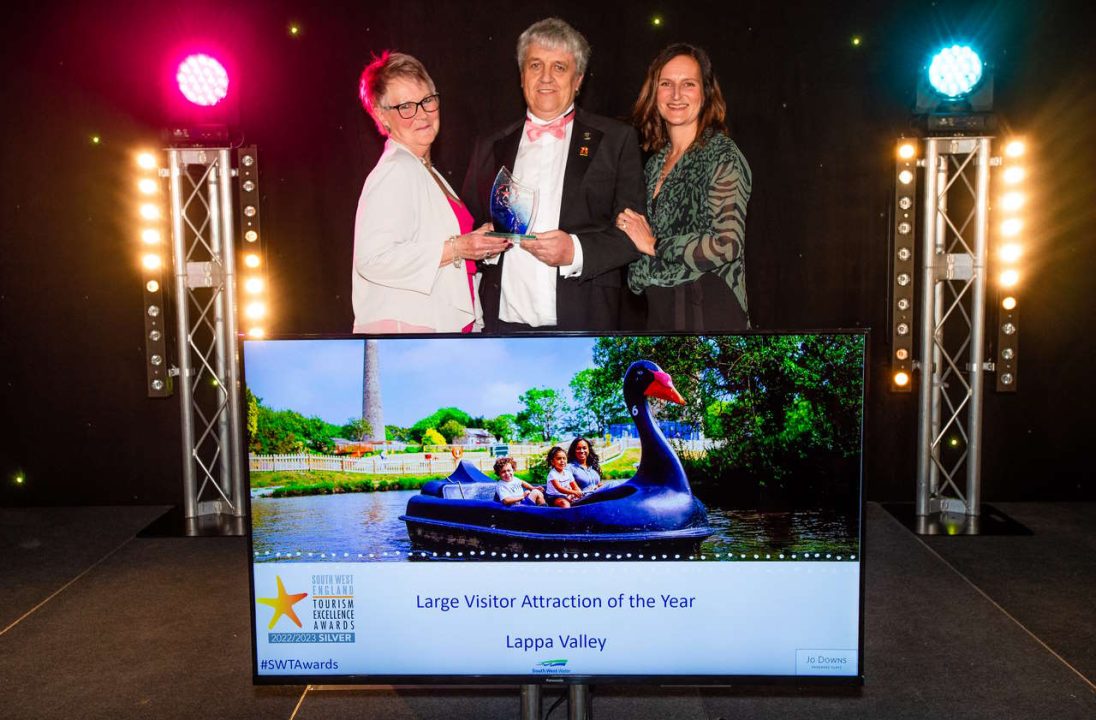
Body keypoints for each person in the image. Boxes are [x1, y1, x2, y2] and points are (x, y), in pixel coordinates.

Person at [463, 18, 646, 332]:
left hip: (583, 321)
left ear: (578, 80)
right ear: (522, 76)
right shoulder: (490, 145)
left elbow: (634, 236)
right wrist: (488, 248)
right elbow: (469, 225)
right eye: (536, 65)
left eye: (559, 67)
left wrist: (575, 251)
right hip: (503, 323)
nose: (546, 78)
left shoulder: (616, 140)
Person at [353, 51, 511, 333]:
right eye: (405, 107)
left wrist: (477, 243)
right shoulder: (396, 169)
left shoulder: (425, 170)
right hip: (411, 332)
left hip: (440, 328)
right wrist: (459, 247)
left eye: (427, 101)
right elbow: (372, 260)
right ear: (381, 115)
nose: (422, 115)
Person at [616, 43, 753, 331]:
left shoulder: (721, 153)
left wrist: (655, 245)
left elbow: (726, 245)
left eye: (687, 84)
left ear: (705, 94)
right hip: (660, 311)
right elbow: (642, 251)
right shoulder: (653, 165)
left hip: (708, 308)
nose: (676, 95)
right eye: (666, 84)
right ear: (654, 94)